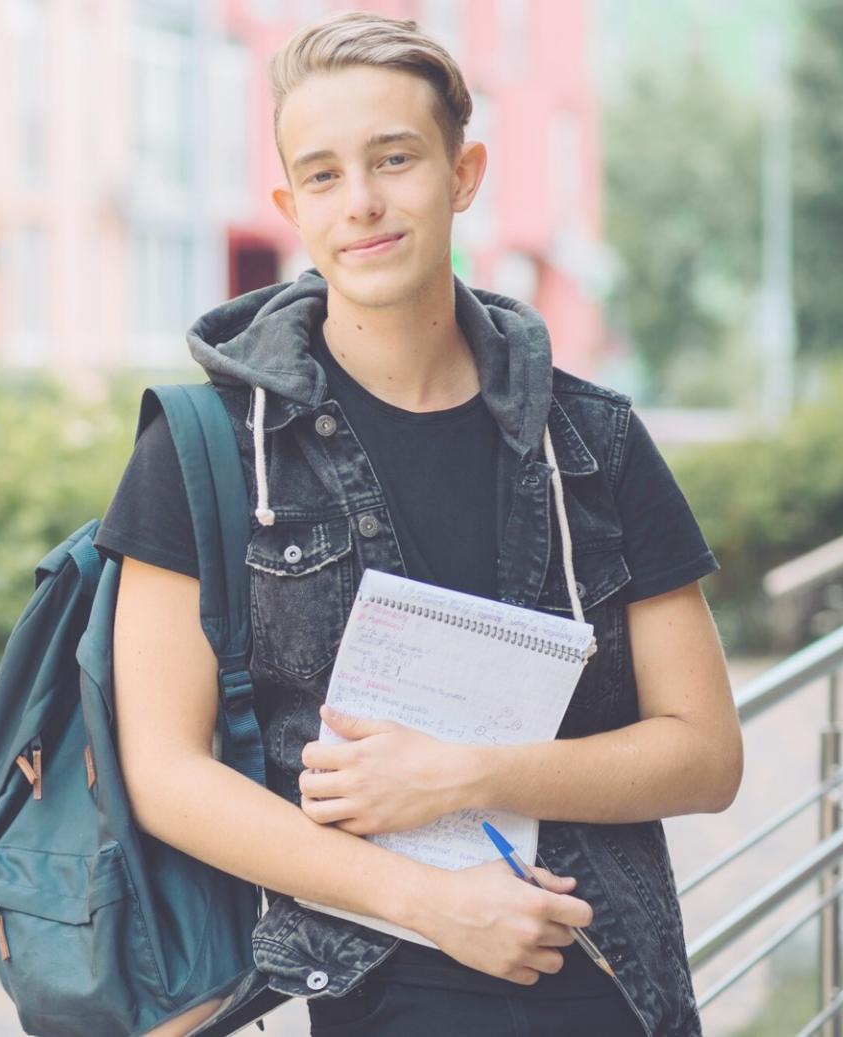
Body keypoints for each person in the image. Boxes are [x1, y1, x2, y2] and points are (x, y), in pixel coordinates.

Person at [97, 11, 742, 1037]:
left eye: (393, 159)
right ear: (288, 204)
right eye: (320, 174)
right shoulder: (203, 449)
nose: (359, 202)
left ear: (462, 171)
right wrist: (429, 905)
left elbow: (705, 754)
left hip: (605, 988)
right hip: (365, 999)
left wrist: (468, 772)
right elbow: (165, 774)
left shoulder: (595, 441)